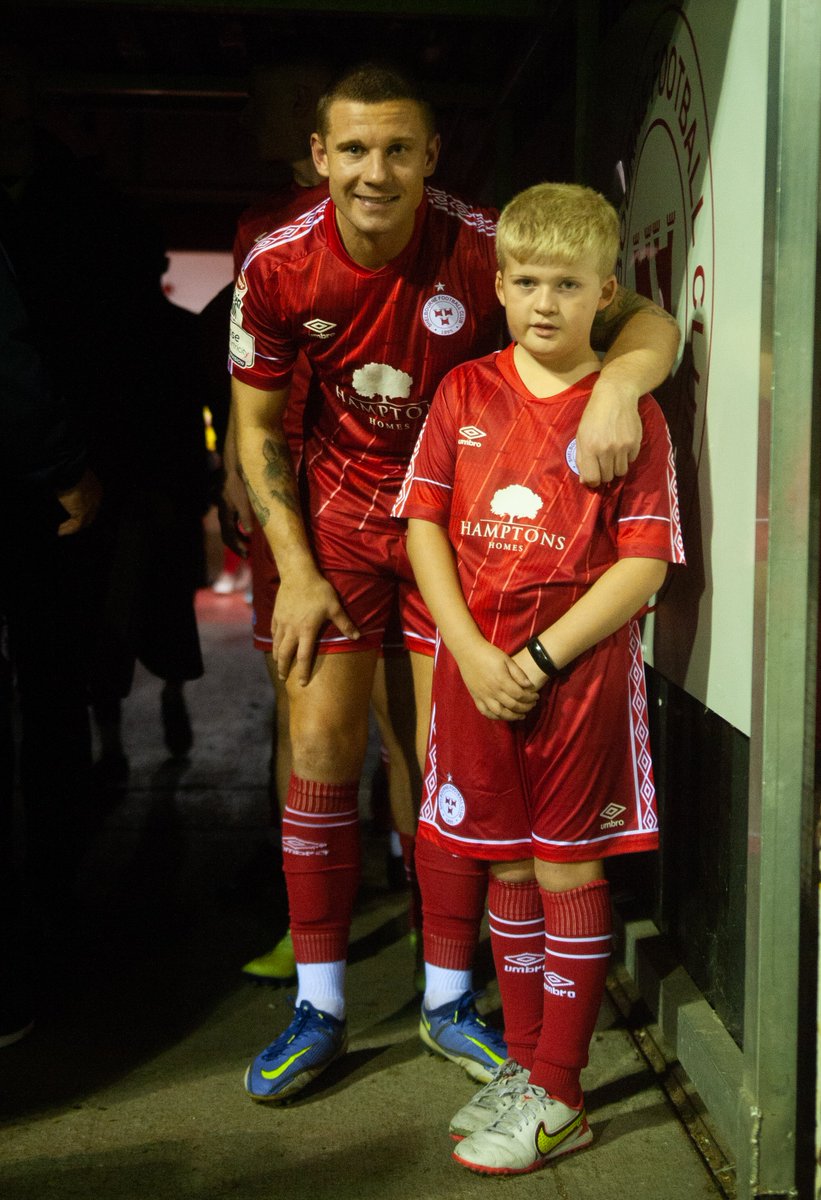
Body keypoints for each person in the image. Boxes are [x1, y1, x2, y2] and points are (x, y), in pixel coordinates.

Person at [229, 62, 680, 1103]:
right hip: (338, 526)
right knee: (315, 746)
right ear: (319, 157)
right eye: (351, 150)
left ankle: (445, 999)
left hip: (457, 533)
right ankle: (321, 1005)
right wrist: (292, 569)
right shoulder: (278, 263)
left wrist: (618, 383)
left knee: (439, 769)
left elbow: (645, 318)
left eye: (396, 150)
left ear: (431, 158)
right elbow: (252, 425)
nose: (373, 171)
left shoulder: (483, 247)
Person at [396, 181, 684, 1174]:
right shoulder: (463, 391)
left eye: (567, 283)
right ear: (497, 283)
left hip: (576, 685)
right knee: (503, 867)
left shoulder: (627, 416)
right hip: (477, 675)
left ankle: (561, 1090)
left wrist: (535, 656)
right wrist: (468, 654)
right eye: (525, 281)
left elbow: (641, 565)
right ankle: (524, 1066)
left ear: (606, 290)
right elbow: (422, 526)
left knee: (565, 869)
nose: (544, 303)